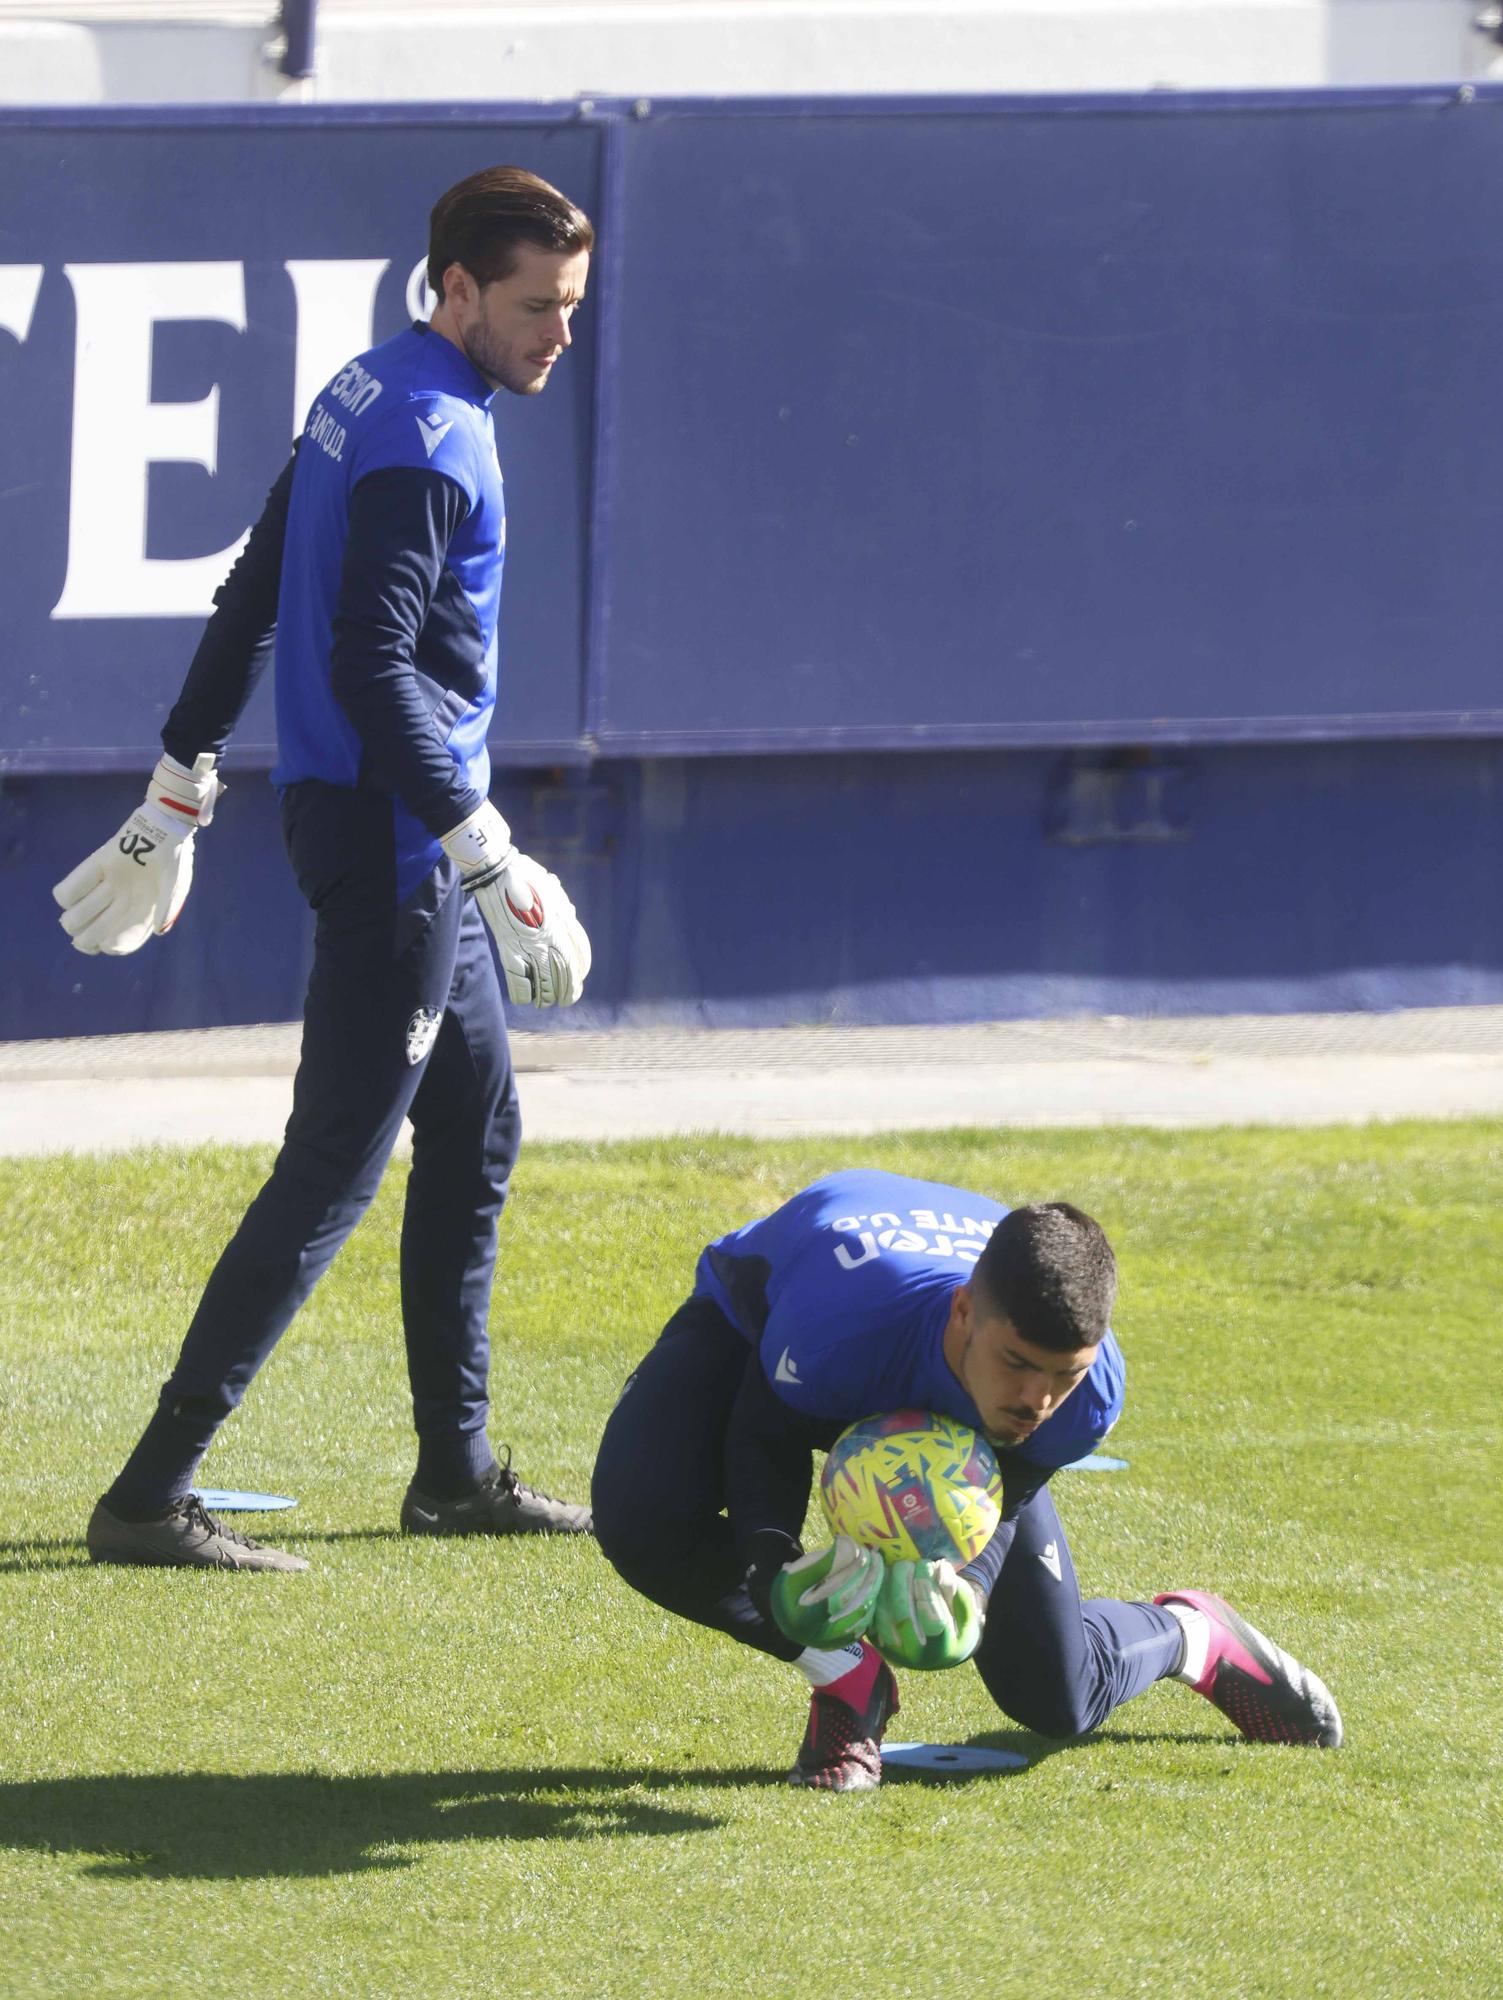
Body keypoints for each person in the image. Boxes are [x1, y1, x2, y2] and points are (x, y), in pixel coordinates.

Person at [54, 166, 598, 1572]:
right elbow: (367, 662)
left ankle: (455, 1469)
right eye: (536, 305)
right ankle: (146, 1496)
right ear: (458, 289)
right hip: (400, 847)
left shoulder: (369, 388)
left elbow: (254, 581)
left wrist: (182, 770)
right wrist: (479, 845)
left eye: (573, 307)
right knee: (331, 1173)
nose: (558, 334)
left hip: (384, 828)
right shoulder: (426, 433)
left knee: (475, 1136)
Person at [592, 1168, 1343, 1791]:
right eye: (1017, 1363)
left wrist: (970, 1586)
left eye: (1063, 1374)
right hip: (765, 1324)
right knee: (642, 1515)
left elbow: (1003, 1492)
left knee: (1056, 1698)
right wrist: (770, 1566)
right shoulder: (835, 1331)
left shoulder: (1090, 1395)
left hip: (896, 1364)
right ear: (963, 1313)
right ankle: (849, 1677)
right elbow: (766, 1432)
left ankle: (1193, 1636)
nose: (1036, 1400)